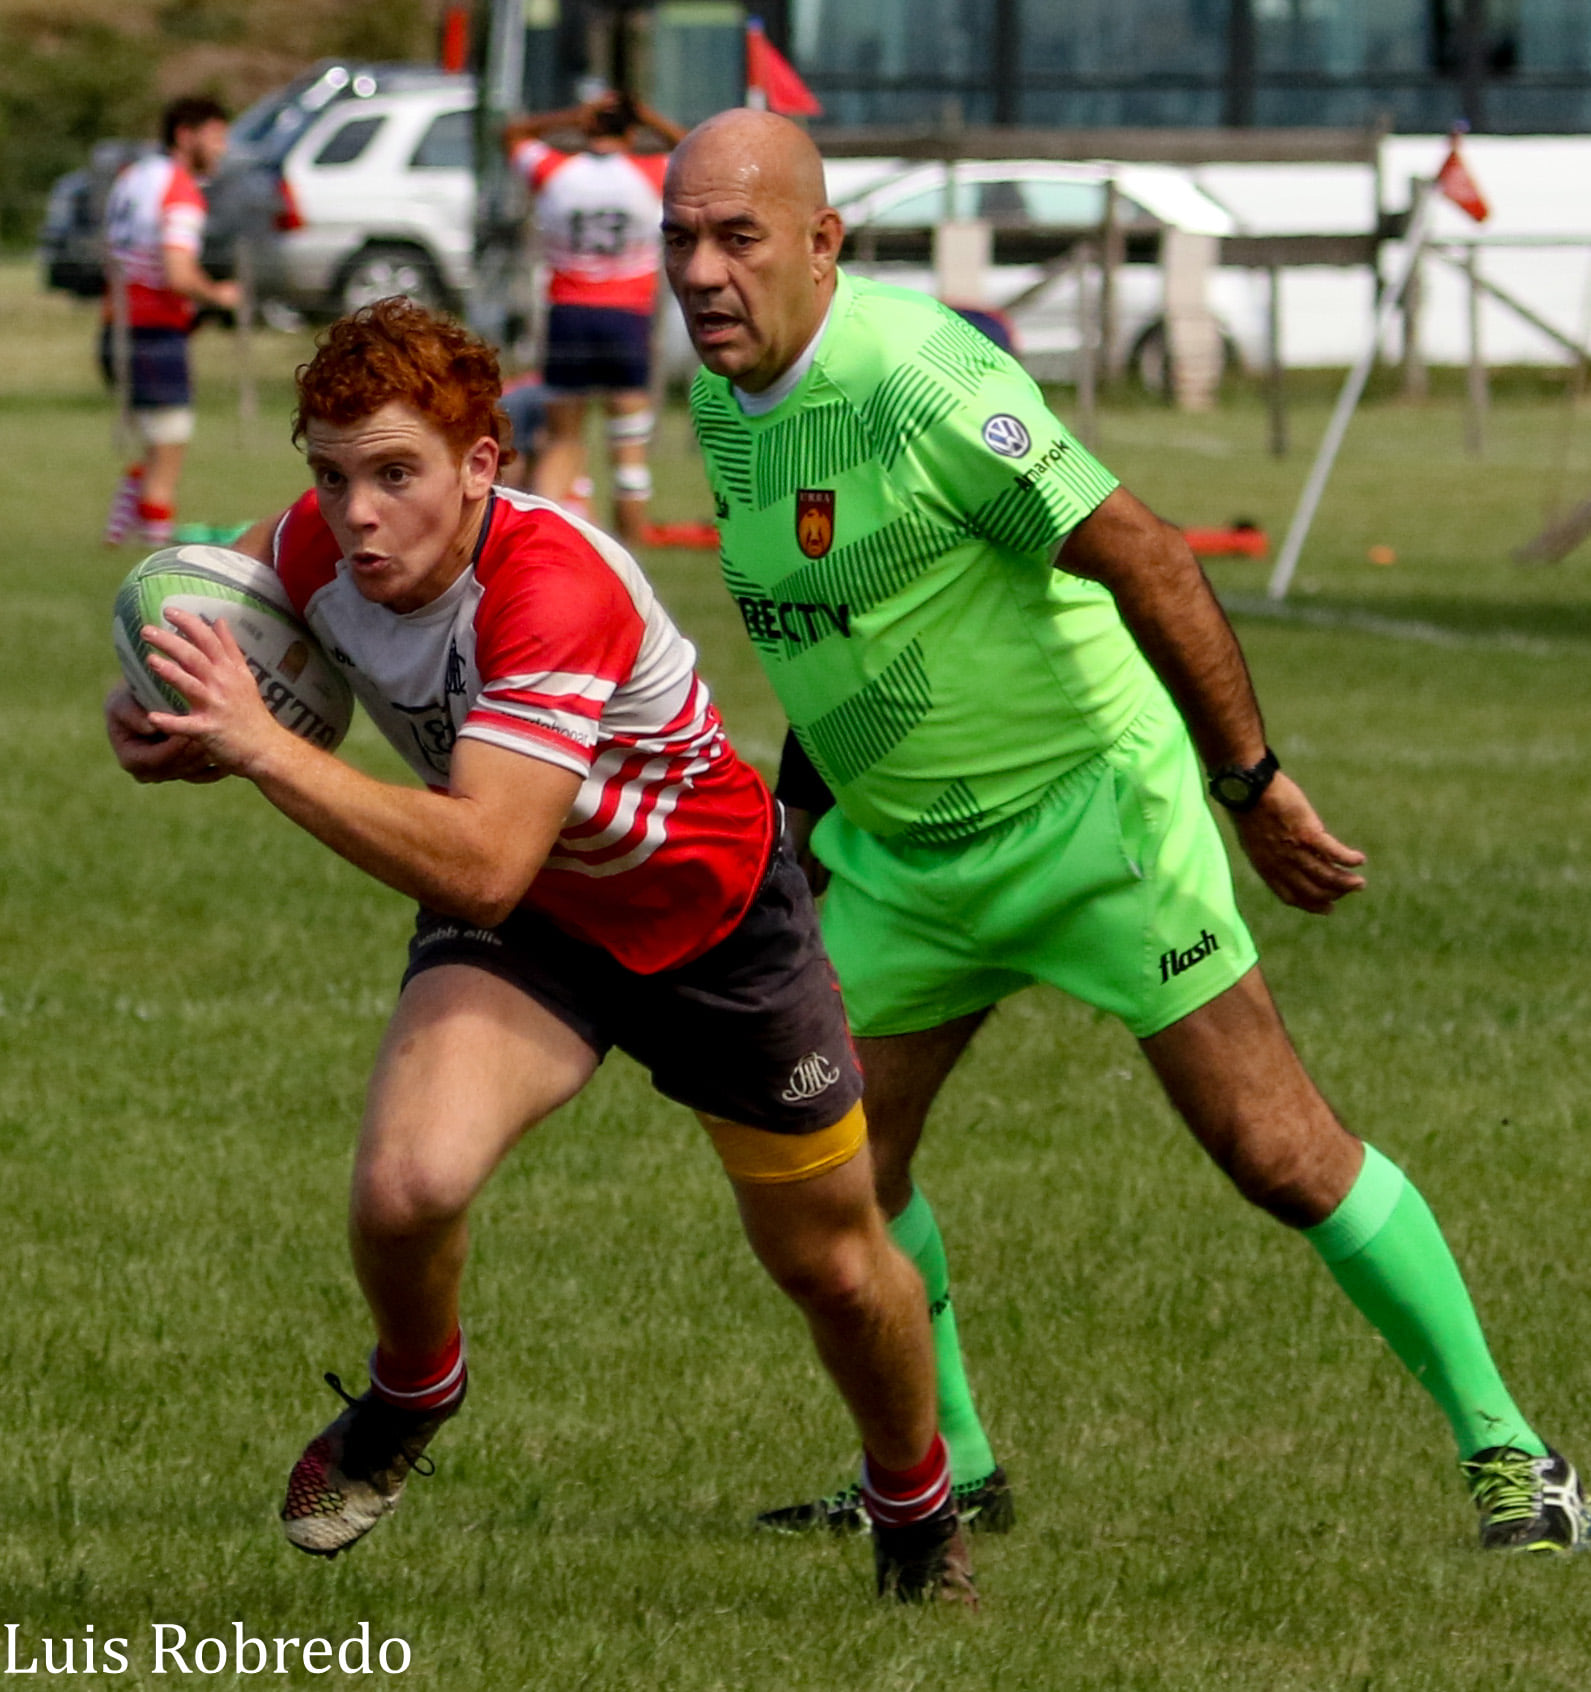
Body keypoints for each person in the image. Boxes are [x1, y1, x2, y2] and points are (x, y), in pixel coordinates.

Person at [661, 108, 1588, 1554]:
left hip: (1091, 816)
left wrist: (1246, 780)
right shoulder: (723, 406)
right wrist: (791, 830)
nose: (702, 272)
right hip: (902, 858)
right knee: (841, 1169)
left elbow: (1144, 553)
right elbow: (822, 634)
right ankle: (946, 1468)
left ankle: (1514, 1457)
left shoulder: (918, 378)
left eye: (738, 237)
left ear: (822, 242)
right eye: (682, 239)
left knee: (1275, 1154)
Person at [102, 298, 975, 1606]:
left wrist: (262, 746)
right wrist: (161, 712)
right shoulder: (315, 544)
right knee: (406, 1186)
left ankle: (917, 1514)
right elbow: (225, 620)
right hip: (535, 928)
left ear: (479, 466)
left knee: (832, 1267)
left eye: (396, 473)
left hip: (712, 925)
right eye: (332, 476)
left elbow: (479, 857)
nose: (358, 514)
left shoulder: (552, 586)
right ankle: (413, 1389)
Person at [502, 91, 686, 547]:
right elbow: (694, 149)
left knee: (562, 437)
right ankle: (632, 541)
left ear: (588, 128)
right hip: (626, 315)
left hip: (569, 313)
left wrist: (567, 114)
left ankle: (541, 531)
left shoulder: (556, 171)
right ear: (631, 131)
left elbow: (511, 134)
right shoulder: (651, 171)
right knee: (628, 442)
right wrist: (649, 115)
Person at [101, 95, 239, 551]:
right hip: (155, 334)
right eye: (216, 136)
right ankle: (155, 553)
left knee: (152, 444)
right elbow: (177, 273)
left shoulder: (132, 177)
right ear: (185, 135)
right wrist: (218, 294)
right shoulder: (179, 190)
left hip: (116, 326)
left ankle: (117, 534)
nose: (222, 147)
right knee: (168, 454)